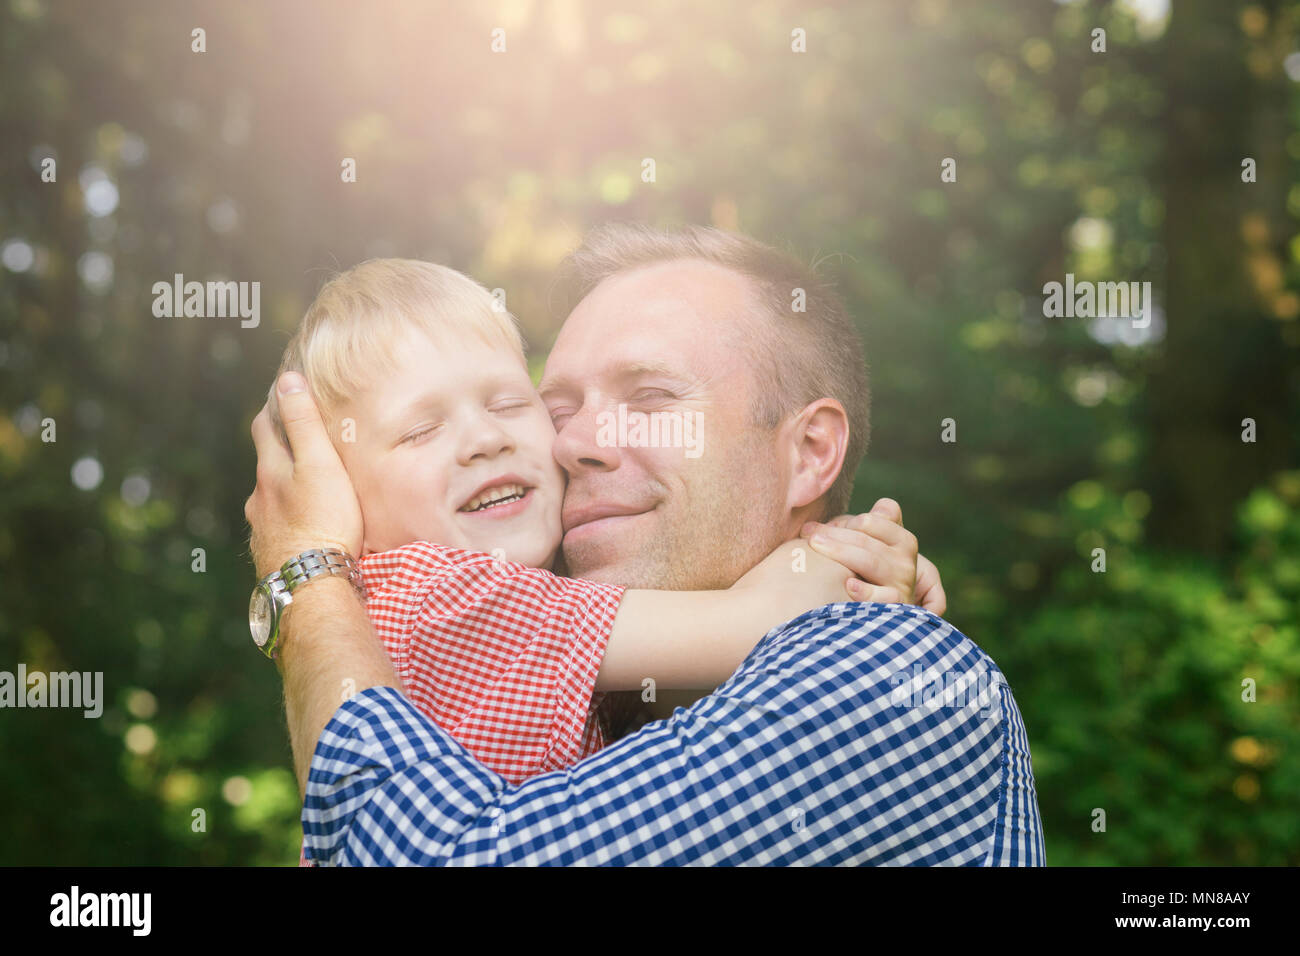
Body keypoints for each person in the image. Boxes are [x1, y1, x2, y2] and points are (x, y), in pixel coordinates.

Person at [245, 223, 1045, 865]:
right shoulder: (590, 698)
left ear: (808, 453)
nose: (572, 445)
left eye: (650, 397)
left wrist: (304, 578)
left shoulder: (888, 673)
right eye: (558, 410)